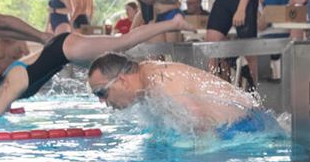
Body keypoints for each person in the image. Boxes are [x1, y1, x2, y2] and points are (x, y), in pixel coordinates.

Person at [0, 16, 189, 116]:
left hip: (66, 49)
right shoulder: (2, 86)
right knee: (117, 67)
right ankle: (158, 92)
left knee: (124, 42)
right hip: (64, 52)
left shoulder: (8, 88)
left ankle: (174, 22)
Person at [86, 52, 265, 137]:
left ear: (123, 81)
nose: (102, 101)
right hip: (240, 125)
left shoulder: (158, 82)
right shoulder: (145, 82)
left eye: (101, 92)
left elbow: (200, 127)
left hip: (248, 127)